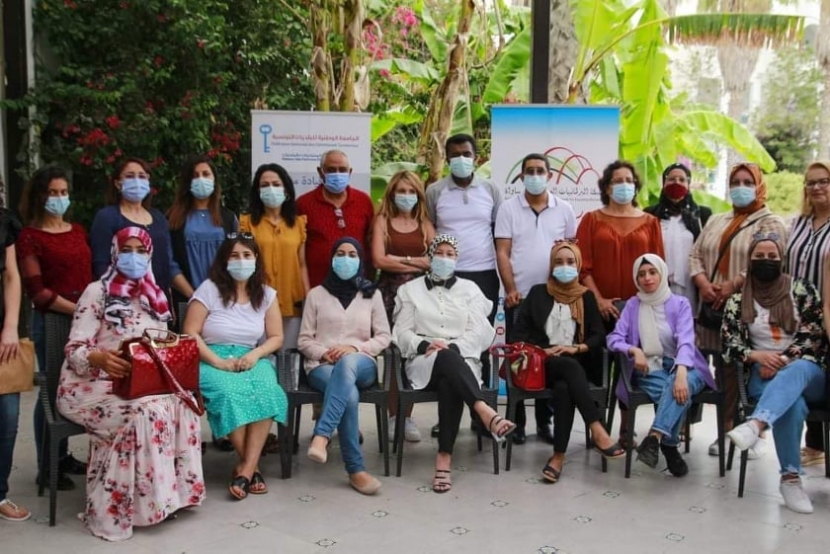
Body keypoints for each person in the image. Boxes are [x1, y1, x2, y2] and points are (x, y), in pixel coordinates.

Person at [57, 227, 204, 541]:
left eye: (140, 250)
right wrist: (98, 358)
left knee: (184, 404)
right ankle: (120, 509)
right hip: (90, 385)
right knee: (143, 414)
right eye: (127, 250)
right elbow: (74, 349)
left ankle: (167, 499)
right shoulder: (97, 292)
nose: (133, 257)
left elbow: (161, 344)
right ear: (114, 253)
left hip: (140, 384)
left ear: (149, 255)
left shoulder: (156, 295)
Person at [393, 235, 516, 493]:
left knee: (450, 376)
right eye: (440, 253)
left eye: (450, 254)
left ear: (457, 259)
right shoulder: (410, 290)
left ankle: (444, 459)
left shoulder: (470, 290)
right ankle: (484, 411)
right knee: (446, 360)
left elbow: (480, 332)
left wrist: (455, 348)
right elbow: (401, 332)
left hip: (462, 360)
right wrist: (424, 345)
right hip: (423, 362)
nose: (445, 258)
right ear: (430, 256)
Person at [722, 235, 827, 514]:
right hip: (762, 372)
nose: (766, 261)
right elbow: (729, 343)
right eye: (759, 256)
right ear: (749, 260)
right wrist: (756, 356)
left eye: (772, 256)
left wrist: (782, 359)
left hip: (807, 369)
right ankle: (790, 480)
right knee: (792, 405)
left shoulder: (802, 290)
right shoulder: (737, 300)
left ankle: (755, 425)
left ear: (782, 259)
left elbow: (813, 335)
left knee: (798, 369)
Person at [690, 162, 786, 457]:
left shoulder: (770, 223)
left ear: (759, 186)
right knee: (722, 371)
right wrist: (703, 283)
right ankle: (724, 429)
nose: (740, 187)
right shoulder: (716, 220)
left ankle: (751, 430)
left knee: (741, 370)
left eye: (747, 182)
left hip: (747, 310)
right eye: (735, 182)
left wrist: (734, 284)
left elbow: (773, 262)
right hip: (711, 308)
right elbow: (696, 254)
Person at [184, 234, 288, 500]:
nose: (241, 261)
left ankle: (245, 469)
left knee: (267, 390)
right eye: (234, 255)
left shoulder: (266, 294)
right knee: (229, 393)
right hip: (211, 356)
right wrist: (217, 361)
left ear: (256, 259)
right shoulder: (209, 289)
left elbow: (276, 337)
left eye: (246, 255)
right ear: (224, 260)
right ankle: (251, 469)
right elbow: (190, 332)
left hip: (251, 356)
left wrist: (255, 355)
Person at [512, 243, 624, 482]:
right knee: (568, 368)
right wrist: (544, 351)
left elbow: (598, 336)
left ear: (578, 265)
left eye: (570, 262)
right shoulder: (538, 293)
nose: (565, 266)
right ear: (551, 266)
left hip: (576, 365)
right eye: (559, 262)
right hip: (541, 364)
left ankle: (558, 457)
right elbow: (518, 334)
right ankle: (597, 429)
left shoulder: (586, 296)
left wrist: (576, 348)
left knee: (565, 386)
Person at [576, 160, 664, 447]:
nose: (624, 185)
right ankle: (597, 428)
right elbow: (582, 267)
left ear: (635, 186)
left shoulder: (650, 222)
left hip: (639, 309)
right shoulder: (591, 220)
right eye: (617, 180)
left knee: (631, 369)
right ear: (606, 187)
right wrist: (599, 299)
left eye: (629, 180)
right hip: (597, 308)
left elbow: (657, 269)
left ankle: (627, 428)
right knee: (596, 368)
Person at [607, 254, 717, 476]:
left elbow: (686, 341)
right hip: (650, 367)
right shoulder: (633, 305)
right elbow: (613, 338)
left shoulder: (680, 303)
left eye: (652, 272)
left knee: (681, 386)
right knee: (678, 395)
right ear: (636, 278)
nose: (647, 278)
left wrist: (681, 373)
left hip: (686, 365)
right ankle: (669, 445)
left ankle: (655, 436)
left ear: (662, 273)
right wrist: (634, 350)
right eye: (641, 274)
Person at [17, 165, 91, 491]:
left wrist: (88, 311)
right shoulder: (29, 237)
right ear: (39, 196)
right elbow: (37, 290)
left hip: (83, 321)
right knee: (50, 392)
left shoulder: (77, 230)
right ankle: (47, 467)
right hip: (51, 321)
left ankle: (63, 456)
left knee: (73, 387)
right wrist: (77, 309)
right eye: (52, 193)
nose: (59, 198)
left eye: (63, 192)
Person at [495, 153, 577, 445]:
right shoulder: (508, 208)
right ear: (521, 176)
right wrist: (510, 288)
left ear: (550, 175)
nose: (534, 175)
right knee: (519, 360)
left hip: (555, 299)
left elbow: (571, 252)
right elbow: (502, 251)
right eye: (529, 171)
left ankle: (545, 422)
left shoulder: (564, 209)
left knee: (549, 357)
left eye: (540, 171)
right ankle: (516, 422)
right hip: (519, 299)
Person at [299, 237, 391, 495]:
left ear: (360, 260)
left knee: (348, 363)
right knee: (348, 394)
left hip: (362, 363)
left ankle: (322, 434)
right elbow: (304, 340)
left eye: (352, 254)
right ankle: (356, 470)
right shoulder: (316, 294)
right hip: (322, 365)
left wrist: (355, 348)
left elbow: (384, 336)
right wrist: (325, 353)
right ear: (332, 259)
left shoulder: (372, 293)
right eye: (340, 254)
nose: (346, 259)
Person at [371, 170, 435, 443]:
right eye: (401, 191)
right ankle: (393, 415)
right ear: (392, 194)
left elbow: (432, 261)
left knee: (413, 354)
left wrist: (399, 258)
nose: (406, 196)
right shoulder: (382, 221)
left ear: (418, 195)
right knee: (393, 355)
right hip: (389, 296)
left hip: (419, 298)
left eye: (411, 191)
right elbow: (379, 260)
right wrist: (415, 261)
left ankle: (407, 416)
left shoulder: (425, 223)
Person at [90, 157, 191, 301]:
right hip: (124, 302)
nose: (136, 181)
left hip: (158, 300)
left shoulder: (159, 219)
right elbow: (101, 265)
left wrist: (193, 296)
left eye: (142, 176)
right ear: (117, 184)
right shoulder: (107, 217)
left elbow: (169, 265)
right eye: (130, 176)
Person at [425, 134, 501, 322]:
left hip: (485, 272)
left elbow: (498, 230)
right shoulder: (434, 191)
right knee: (447, 328)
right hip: (446, 272)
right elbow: (429, 228)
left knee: (482, 328)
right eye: (455, 155)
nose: (461, 159)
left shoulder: (490, 188)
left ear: (476, 157)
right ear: (447, 159)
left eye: (466, 154)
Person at [785, 161, 830, 468]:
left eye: (823, 181)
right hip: (795, 314)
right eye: (811, 182)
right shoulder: (798, 223)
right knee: (801, 372)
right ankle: (812, 444)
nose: (816, 187)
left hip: (827, 314)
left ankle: (818, 443)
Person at [240, 163, 309, 350]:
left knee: (289, 358)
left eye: (276, 184)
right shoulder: (247, 223)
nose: (271, 189)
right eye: (265, 185)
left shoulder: (298, 224)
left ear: (286, 189)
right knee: (262, 356)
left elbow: (302, 264)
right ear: (257, 191)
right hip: (257, 301)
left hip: (292, 302)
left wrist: (307, 297)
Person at [296, 150, 375, 289]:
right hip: (318, 287)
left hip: (358, 287)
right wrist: (306, 291)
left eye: (342, 170)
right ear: (320, 172)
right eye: (331, 170)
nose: (337, 174)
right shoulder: (303, 204)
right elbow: (298, 253)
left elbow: (371, 242)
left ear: (350, 172)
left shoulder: (364, 201)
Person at [167, 155, 238, 306]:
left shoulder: (228, 218)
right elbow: (169, 262)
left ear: (214, 179)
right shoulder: (173, 218)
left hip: (223, 298)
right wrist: (195, 296)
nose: (201, 179)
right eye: (195, 175)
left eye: (206, 174)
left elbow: (236, 257)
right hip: (187, 298)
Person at [644, 163, 712, 308]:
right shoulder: (650, 213)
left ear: (688, 184)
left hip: (691, 283)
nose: (677, 183)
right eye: (671, 179)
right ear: (664, 183)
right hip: (657, 283)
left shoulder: (701, 215)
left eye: (682, 180)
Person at [0, 206, 27, 522]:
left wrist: (10, 325)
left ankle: (0, 493)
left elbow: (11, 275)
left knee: (7, 418)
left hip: (3, 335)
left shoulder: (4, 221)